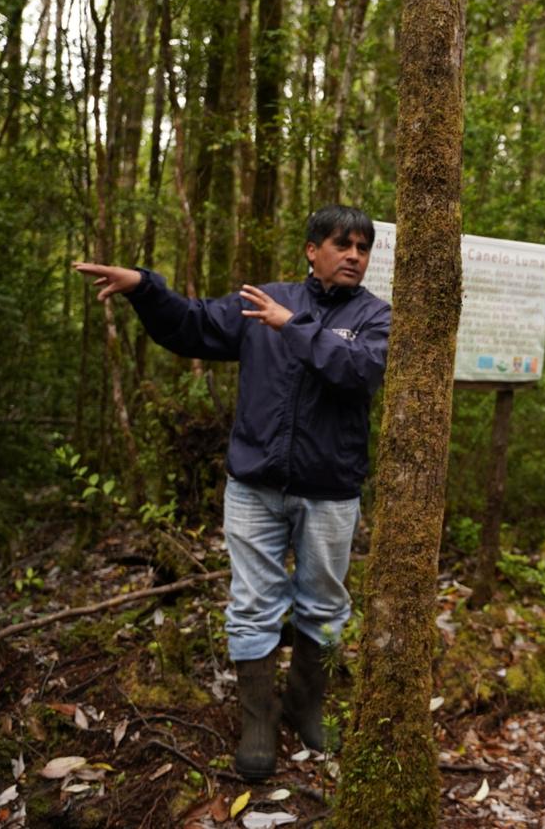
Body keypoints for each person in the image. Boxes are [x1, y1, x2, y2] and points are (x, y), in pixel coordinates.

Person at [74, 205, 390, 780]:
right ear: (311, 250)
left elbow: (360, 371)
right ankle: (259, 722)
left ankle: (305, 703)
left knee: (323, 603)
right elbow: (192, 325)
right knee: (253, 604)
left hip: (330, 491)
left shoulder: (374, 315)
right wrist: (145, 287)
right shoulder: (262, 298)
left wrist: (292, 326)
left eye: (363, 248)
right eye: (342, 244)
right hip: (254, 487)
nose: (353, 256)